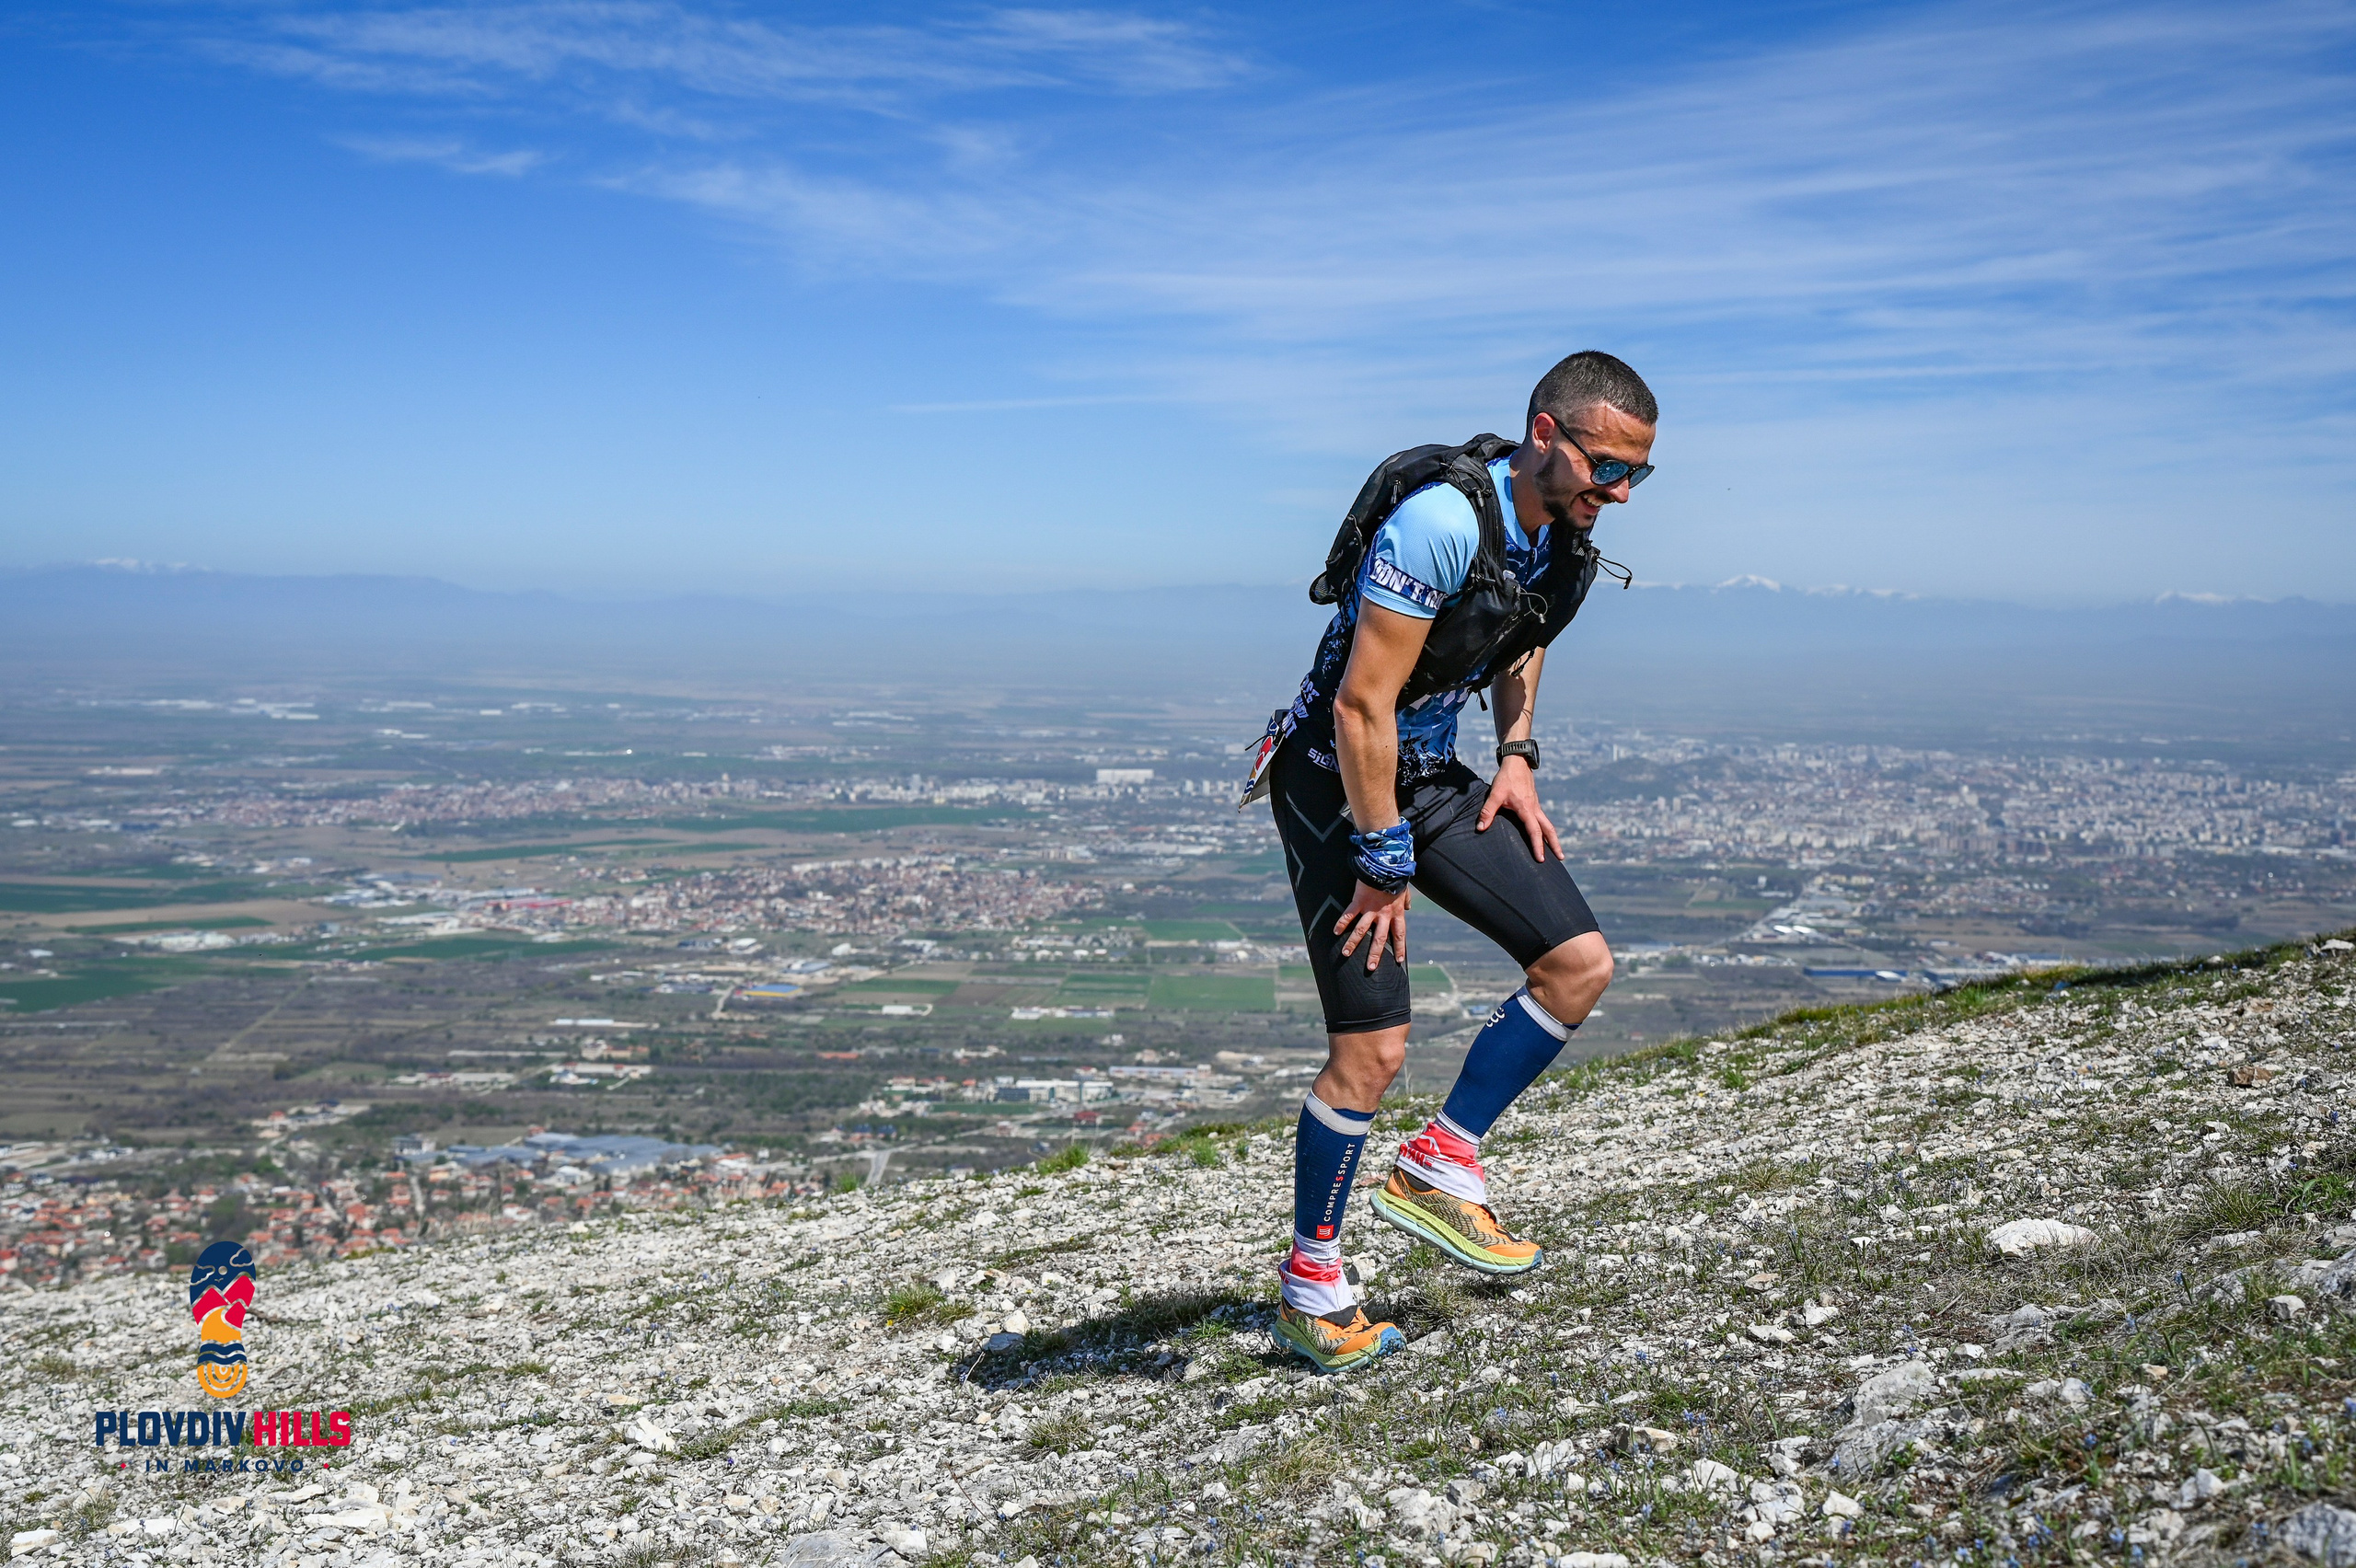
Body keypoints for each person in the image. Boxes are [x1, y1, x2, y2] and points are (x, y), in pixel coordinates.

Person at [1257, 351, 1658, 1372]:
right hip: (1337, 776)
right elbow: (1359, 705)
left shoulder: (1559, 535)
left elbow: (1527, 636)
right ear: (1543, 435)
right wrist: (1380, 855)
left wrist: (1516, 756)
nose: (1616, 493)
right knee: (1372, 1053)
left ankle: (1442, 1161)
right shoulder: (1440, 522)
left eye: (1634, 477)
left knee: (1577, 966)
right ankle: (1311, 1287)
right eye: (1604, 467)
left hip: (1430, 769)